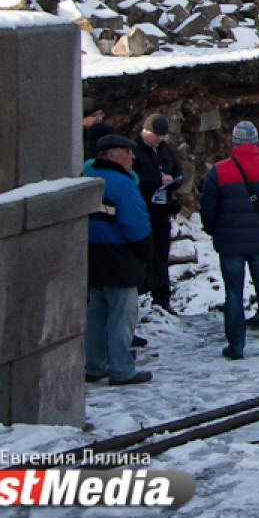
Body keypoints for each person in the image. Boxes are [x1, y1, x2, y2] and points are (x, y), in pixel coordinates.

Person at [200, 121, 259, 359]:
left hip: (229, 241)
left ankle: (235, 347)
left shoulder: (219, 171)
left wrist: (215, 230)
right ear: (256, 142)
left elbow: (207, 208)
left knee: (233, 293)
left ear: (233, 142)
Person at [84, 134, 153, 386]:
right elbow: (135, 225)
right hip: (120, 257)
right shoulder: (123, 185)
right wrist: (147, 252)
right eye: (127, 152)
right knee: (121, 316)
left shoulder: (86, 179)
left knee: (96, 313)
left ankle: (93, 364)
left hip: (91, 255)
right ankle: (122, 368)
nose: (133, 156)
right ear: (112, 155)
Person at [131, 113, 185, 314]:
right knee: (144, 256)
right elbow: (133, 179)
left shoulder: (165, 150)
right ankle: (139, 296)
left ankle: (162, 299)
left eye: (163, 136)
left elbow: (178, 170)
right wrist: (156, 182)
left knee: (162, 255)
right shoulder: (134, 150)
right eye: (157, 135)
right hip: (144, 211)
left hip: (162, 210)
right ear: (145, 131)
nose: (160, 139)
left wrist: (174, 182)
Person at [82, 97, 106, 161]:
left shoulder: (102, 135)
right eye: (95, 116)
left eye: (101, 114)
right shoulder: (77, 141)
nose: (100, 118)